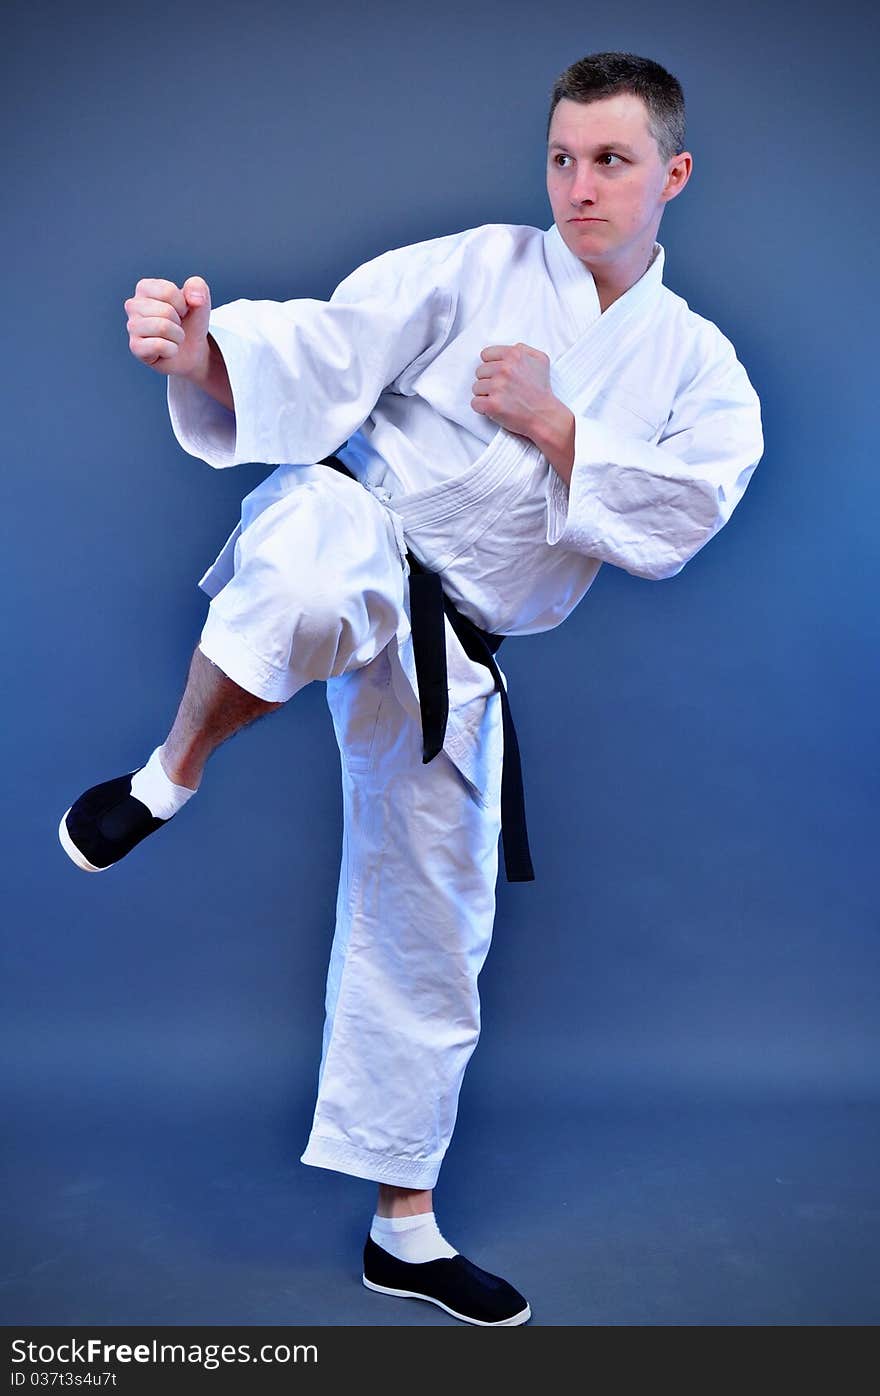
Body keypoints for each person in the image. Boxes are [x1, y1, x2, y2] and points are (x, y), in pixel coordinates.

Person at [58, 52, 763, 1326]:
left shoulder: (698, 366)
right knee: (312, 581)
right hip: (358, 524)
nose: (578, 185)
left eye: (609, 160)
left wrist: (556, 425)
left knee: (434, 927)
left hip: (465, 646)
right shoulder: (478, 267)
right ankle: (165, 776)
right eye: (561, 156)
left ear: (674, 172)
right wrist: (204, 350)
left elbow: (687, 511)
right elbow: (327, 349)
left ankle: (405, 1228)